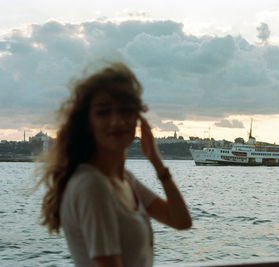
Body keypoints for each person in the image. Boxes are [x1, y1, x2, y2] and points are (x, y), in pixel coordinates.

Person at [37, 62, 192, 267]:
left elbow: (181, 221)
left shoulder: (124, 180)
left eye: (126, 111)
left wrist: (156, 162)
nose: (116, 121)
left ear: (138, 119)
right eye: (103, 112)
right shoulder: (93, 186)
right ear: (87, 122)